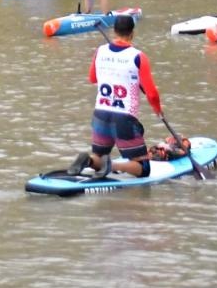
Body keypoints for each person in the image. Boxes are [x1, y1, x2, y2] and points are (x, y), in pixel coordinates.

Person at [67, 14, 163, 179]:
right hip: (124, 119)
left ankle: (89, 161)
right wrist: (158, 111)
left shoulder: (100, 51)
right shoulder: (138, 57)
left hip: (101, 114)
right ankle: (113, 165)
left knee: (98, 156)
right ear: (132, 34)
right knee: (144, 167)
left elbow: (93, 78)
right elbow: (152, 93)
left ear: (114, 31)